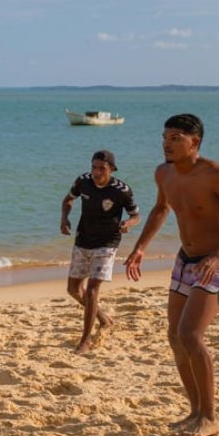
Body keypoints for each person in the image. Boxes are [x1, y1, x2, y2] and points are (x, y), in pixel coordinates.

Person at [125, 114, 219, 436]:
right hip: (185, 260)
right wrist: (140, 247)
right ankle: (196, 411)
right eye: (165, 137)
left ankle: (210, 417)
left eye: (176, 138)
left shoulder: (216, 175)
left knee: (191, 334)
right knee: (174, 335)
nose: (167, 143)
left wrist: (218, 254)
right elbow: (160, 209)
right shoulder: (163, 173)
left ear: (194, 142)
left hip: (218, 262)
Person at [60, 150, 140, 353]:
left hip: (107, 243)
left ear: (111, 169)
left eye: (101, 168)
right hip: (83, 240)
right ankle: (102, 317)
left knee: (93, 290)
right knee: (73, 289)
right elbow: (68, 199)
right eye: (94, 167)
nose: (96, 172)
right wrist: (64, 218)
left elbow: (136, 215)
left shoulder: (121, 190)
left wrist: (128, 223)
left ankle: (85, 341)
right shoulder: (83, 181)